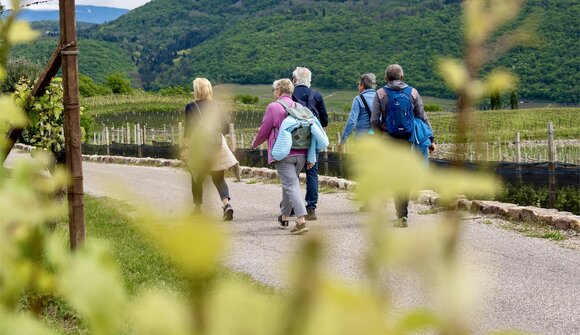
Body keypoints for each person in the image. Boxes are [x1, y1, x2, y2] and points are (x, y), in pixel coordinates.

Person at [371, 64, 436, 227]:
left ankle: (395, 210)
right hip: (408, 140)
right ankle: (403, 214)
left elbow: (374, 120)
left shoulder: (380, 93)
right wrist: (431, 139)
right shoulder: (413, 92)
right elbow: (422, 117)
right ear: (402, 77)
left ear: (386, 78)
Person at [252, 78, 315, 235]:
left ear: (278, 91)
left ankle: (301, 221)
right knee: (289, 184)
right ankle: (285, 216)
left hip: (283, 153)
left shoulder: (274, 107)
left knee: (291, 185)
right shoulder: (300, 107)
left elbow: (264, 130)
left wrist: (254, 143)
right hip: (301, 152)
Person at [182, 77, 237, 221]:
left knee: (197, 177)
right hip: (216, 147)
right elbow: (225, 127)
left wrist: (185, 149)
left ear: (196, 90)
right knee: (218, 178)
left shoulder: (191, 107)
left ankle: (197, 208)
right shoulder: (216, 106)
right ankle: (226, 205)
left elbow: (188, 130)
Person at [291, 66, 328, 221]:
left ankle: (292, 207)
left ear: (294, 80)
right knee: (312, 173)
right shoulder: (316, 96)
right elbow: (325, 120)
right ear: (309, 81)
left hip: (293, 141)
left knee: (292, 175)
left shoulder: (290, 95)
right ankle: (311, 208)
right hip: (312, 140)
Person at [340, 73, 377, 144]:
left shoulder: (358, 99)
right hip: (377, 138)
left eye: (358, 84)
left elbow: (352, 122)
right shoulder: (380, 97)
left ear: (362, 85)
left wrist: (343, 139)